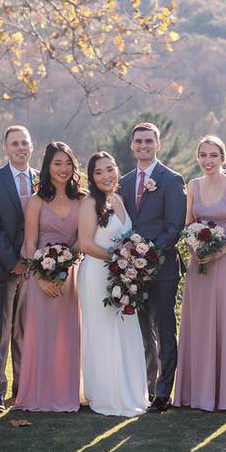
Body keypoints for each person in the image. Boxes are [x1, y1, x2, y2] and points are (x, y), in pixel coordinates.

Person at [174, 136, 226, 412]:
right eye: (203, 155)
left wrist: (220, 251)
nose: (208, 161)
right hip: (199, 263)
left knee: (225, 321)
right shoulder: (193, 186)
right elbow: (187, 224)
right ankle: (195, 392)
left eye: (213, 156)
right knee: (199, 322)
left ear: (223, 158)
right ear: (198, 158)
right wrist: (195, 249)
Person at [118, 123, 186, 413]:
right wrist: (129, 259)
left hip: (162, 269)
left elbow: (174, 227)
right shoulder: (123, 181)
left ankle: (163, 392)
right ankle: (145, 386)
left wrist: (146, 256)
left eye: (149, 141)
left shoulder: (171, 180)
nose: (143, 145)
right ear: (132, 146)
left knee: (165, 328)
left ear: (158, 144)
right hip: (131, 271)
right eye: (138, 141)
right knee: (142, 331)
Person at [14, 143, 85, 413]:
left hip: (71, 276)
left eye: (68, 163)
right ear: (47, 167)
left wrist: (66, 263)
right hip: (40, 277)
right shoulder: (36, 201)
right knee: (41, 335)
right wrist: (40, 278)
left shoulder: (82, 200)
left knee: (68, 335)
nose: (63, 169)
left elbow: (82, 239)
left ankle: (68, 392)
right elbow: (30, 242)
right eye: (57, 163)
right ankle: (39, 394)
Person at [78, 152, 148, 417]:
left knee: (125, 329)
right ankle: (106, 394)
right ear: (92, 177)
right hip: (98, 274)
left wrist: (128, 264)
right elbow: (85, 243)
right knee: (103, 331)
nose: (106, 175)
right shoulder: (89, 203)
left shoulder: (118, 199)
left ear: (117, 170)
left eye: (110, 169)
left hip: (122, 275)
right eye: (99, 172)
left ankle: (128, 391)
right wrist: (120, 258)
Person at [0, 126, 37, 412]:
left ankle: (23, 388)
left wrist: (35, 260)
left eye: (24, 143)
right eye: (14, 144)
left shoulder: (43, 180)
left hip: (36, 269)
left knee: (25, 331)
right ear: (5, 148)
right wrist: (13, 260)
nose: (20, 148)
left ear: (32, 146)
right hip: (1, 267)